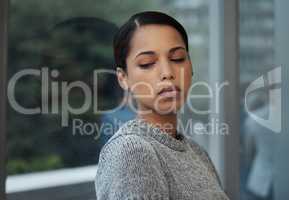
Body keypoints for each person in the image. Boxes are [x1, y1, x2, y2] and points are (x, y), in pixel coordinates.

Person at [94, 11, 230, 200]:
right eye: (147, 63)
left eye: (177, 58)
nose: (167, 73)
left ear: (191, 67)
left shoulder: (196, 151)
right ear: (123, 78)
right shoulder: (132, 151)